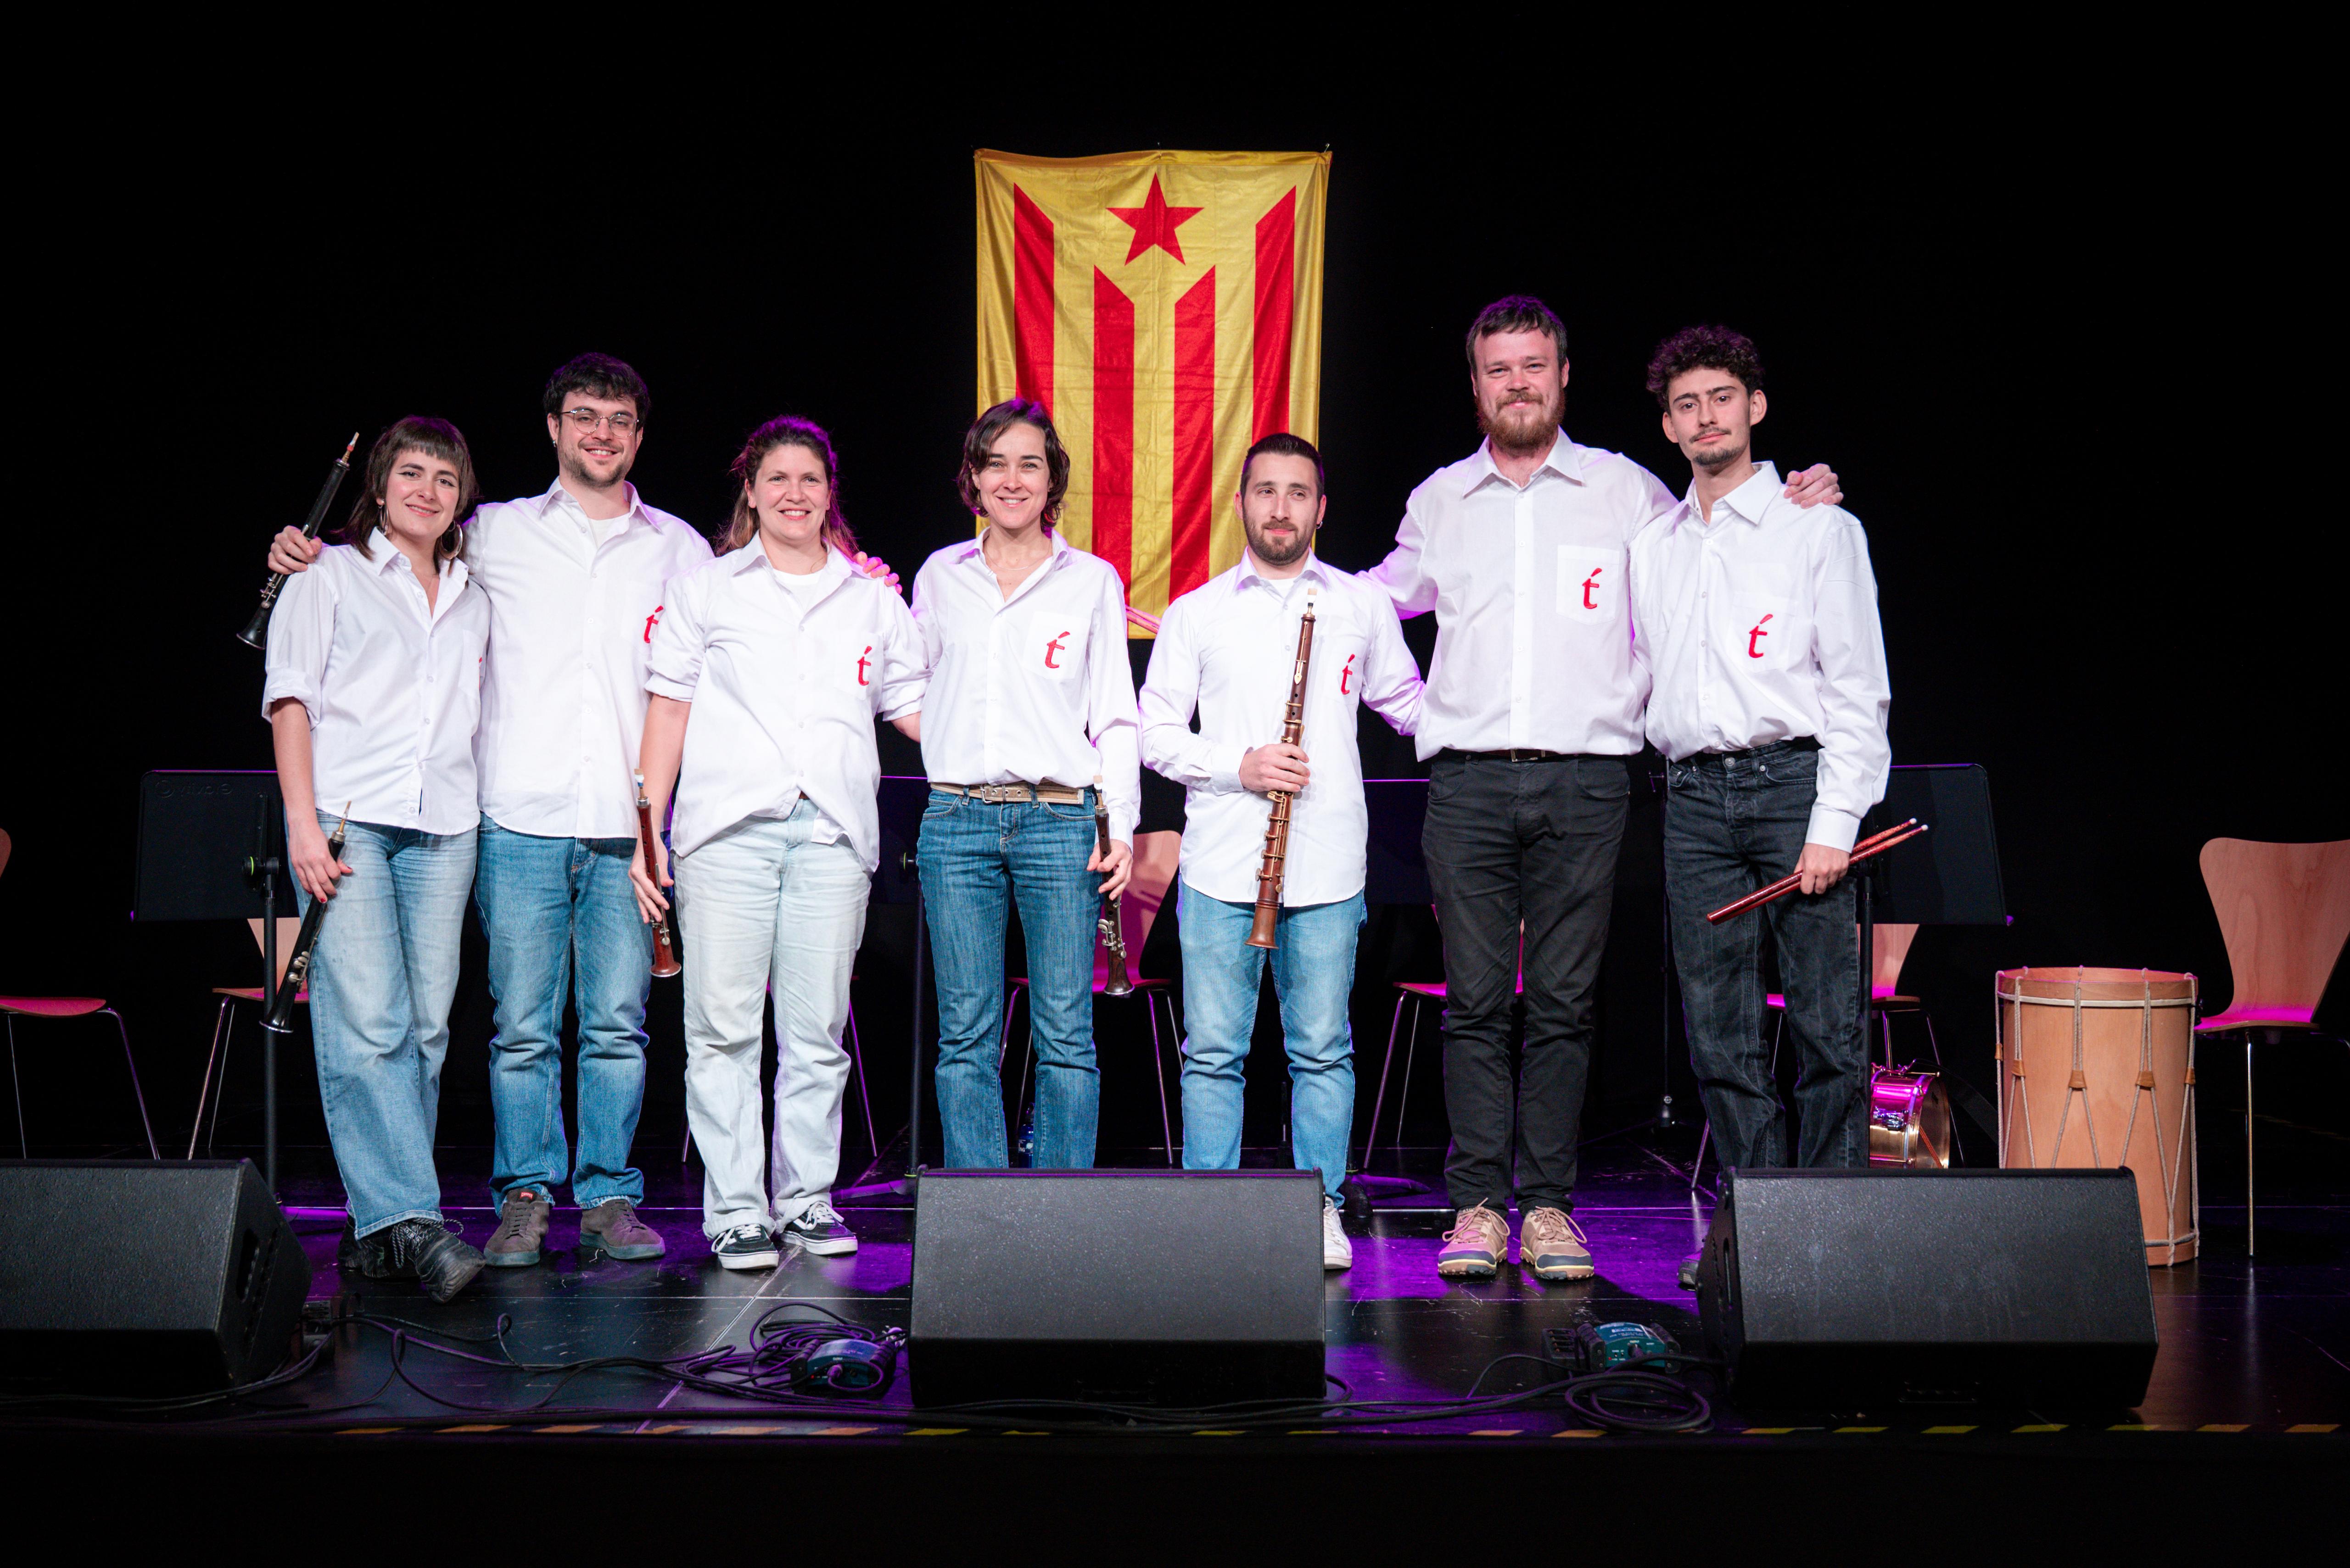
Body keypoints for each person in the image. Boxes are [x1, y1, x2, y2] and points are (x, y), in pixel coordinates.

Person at [1366, 296, 1843, 1281]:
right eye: (1498, 369)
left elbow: (1720, 550)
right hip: (1465, 787)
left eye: (1533, 364)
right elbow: (1373, 605)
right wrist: (1424, 714)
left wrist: (1801, 497)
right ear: (1476, 385)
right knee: (1474, 1004)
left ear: (1563, 374)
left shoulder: (1627, 493)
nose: (1517, 383)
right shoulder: (1439, 501)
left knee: (1566, 1005)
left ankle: (1545, 1205)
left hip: (1589, 783)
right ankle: (1473, 1208)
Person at [269, 354, 711, 1268]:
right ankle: (519, 1195)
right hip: (513, 818)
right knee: (517, 1027)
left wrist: (858, 565)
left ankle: (608, 1195)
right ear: (553, 427)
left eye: (620, 419)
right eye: (584, 415)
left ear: (638, 434)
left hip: (624, 830)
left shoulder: (681, 549)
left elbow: (738, 635)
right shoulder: (495, 534)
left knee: (616, 1025)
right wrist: (298, 550)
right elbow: (376, 567)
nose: (601, 433)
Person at [631, 417, 925, 1268]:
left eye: (811, 479)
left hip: (831, 834)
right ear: (751, 490)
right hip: (726, 833)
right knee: (722, 1028)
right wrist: (649, 832)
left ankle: (804, 1199)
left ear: (830, 493)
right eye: (777, 479)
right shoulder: (708, 588)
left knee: (817, 1030)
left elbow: (915, 709)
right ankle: (734, 1209)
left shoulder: (872, 598)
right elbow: (669, 709)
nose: (795, 493)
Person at [1140, 433, 1422, 1271]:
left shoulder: (1361, 605)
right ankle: (1214, 1213)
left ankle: (1321, 1207)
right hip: (1225, 864)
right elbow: (1155, 733)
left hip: (1329, 864)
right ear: (1241, 503)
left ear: (1321, 508)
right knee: (1216, 1051)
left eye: (1298, 493)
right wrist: (1241, 766)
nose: (1280, 508)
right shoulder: (1196, 612)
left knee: (1323, 1049)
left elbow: (1407, 701)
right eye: (1265, 491)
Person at [1632, 325, 1890, 1177]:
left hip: (1794, 787)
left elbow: (1858, 689)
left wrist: (1836, 821)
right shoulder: (1652, 546)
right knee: (1719, 1033)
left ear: (1756, 407)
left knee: (1827, 1025)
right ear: (1668, 425)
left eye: (1721, 399)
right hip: (1693, 798)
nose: (1706, 417)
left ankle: (1834, 1234)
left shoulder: (1819, 529)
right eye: (1686, 405)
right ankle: (1758, 1222)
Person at [263, 418, 491, 1301]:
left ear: (462, 494)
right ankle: (411, 1220)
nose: (427, 490)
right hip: (350, 821)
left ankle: (381, 1230)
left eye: (444, 477)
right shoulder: (326, 573)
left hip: (446, 826)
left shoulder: (475, 592)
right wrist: (302, 824)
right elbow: (291, 700)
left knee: (427, 1030)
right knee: (368, 1025)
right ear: (381, 486)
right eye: (410, 474)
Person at [910, 399, 1138, 1170]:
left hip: (1058, 820)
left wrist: (1125, 829)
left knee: (1066, 1030)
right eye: (996, 462)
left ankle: (1059, 1216)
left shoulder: (1092, 581)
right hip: (958, 819)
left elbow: (1116, 716)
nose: (1013, 479)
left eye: (1030, 463)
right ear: (974, 476)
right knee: (966, 1032)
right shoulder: (941, 575)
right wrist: (947, 732)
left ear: (1052, 481)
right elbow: (912, 686)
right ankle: (982, 1219)